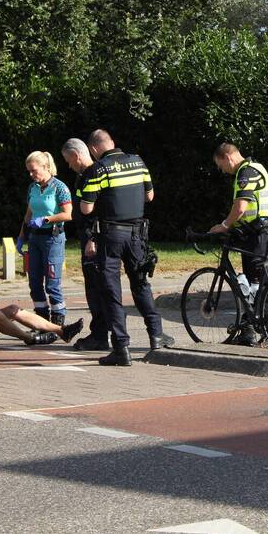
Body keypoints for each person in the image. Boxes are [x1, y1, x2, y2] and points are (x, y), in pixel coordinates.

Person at [82, 128, 174, 366]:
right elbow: (150, 196)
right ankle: (156, 334)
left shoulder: (98, 169)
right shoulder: (138, 162)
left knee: (111, 290)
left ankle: (121, 348)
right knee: (141, 284)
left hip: (110, 236)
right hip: (137, 235)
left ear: (93, 149)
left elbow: (86, 209)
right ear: (112, 142)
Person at [208, 143, 268, 344]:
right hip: (259, 230)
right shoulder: (258, 167)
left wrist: (224, 225)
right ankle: (250, 332)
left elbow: (240, 208)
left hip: (257, 233)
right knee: (255, 280)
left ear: (228, 158)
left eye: (221, 165)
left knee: (260, 280)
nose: (222, 170)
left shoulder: (245, 173)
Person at [60, 137, 111, 351]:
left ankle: (100, 336)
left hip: (94, 240)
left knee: (96, 288)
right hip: (95, 238)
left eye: (68, 161)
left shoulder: (92, 175)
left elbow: (93, 211)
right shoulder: (90, 174)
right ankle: (103, 333)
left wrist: (91, 238)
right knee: (99, 288)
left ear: (75, 155)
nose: (69, 166)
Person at [16, 151, 72, 329]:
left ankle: (57, 321)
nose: (31, 175)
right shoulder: (33, 188)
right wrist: (21, 237)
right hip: (35, 239)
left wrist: (46, 219)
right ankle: (41, 321)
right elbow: (29, 213)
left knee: (52, 282)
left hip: (52, 238)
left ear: (46, 167)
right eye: (29, 172)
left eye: (34, 170)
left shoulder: (59, 187)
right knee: (34, 281)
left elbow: (68, 214)